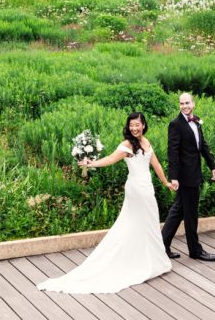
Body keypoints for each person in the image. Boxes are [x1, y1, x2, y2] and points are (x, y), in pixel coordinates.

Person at [37, 112, 174, 294]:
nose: (134, 128)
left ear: (143, 125)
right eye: (131, 125)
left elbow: (156, 165)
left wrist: (166, 182)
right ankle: (137, 260)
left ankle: (147, 258)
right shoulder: (126, 145)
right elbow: (110, 159)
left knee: (147, 222)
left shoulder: (146, 142)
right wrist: (92, 163)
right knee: (136, 221)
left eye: (137, 125)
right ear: (128, 126)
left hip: (147, 187)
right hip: (136, 189)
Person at [161, 92, 215, 261]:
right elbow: (172, 152)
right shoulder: (175, 124)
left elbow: (203, 146)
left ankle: (161, 245)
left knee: (179, 210)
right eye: (181, 103)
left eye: (187, 103)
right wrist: (174, 177)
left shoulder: (197, 121)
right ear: (179, 105)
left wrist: (212, 165)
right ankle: (195, 251)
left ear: (193, 103)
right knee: (191, 214)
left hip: (195, 173)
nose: (184, 106)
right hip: (185, 177)